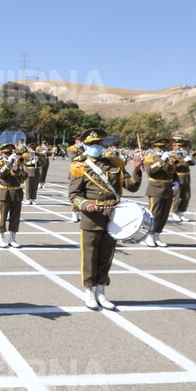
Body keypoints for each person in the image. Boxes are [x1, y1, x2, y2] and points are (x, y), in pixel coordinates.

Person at [69, 128, 143, 310]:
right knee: (89, 256)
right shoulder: (79, 166)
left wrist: (137, 170)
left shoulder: (115, 164)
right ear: (86, 146)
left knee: (106, 256)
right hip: (92, 217)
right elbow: (74, 194)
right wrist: (85, 204)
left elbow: (131, 187)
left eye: (99, 144)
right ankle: (89, 291)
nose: (96, 147)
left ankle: (101, 291)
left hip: (114, 217)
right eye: (92, 144)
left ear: (103, 145)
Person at [142, 136, 177, 248]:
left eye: (163, 147)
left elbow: (173, 172)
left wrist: (176, 182)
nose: (161, 149)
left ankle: (157, 236)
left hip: (168, 188)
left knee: (164, 215)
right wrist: (162, 160)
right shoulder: (149, 158)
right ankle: (149, 235)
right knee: (154, 214)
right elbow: (150, 172)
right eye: (159, 147)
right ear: (154, 148)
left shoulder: (169, 158)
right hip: (155, 188)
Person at [0, 143, 26, 248]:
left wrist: (17, 169)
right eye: (6, 153)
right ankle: (1, 238)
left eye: (10, 153)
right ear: (2, 154)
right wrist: (9, 163)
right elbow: (0, 174)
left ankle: (12, 239)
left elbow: (24, 177)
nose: (8, 155)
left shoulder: (18, 164)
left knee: (15, 217)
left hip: (16, 192)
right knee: (2, 216)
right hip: (4, 193)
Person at [169, 134, 196, 222]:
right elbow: (175, 165)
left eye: (181, 146)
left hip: (186, 177)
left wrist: (190, 158)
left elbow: (192, 164)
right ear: (174, 146)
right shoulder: (172, 155)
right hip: (178, 176)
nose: (180, 147)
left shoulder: (183, 154)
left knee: (186, 196)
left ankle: (181, 212)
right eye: (178, 146)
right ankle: (175, 213)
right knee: (176, 196)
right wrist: (184, 161)